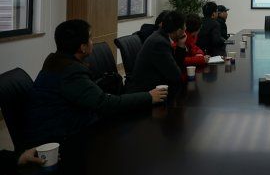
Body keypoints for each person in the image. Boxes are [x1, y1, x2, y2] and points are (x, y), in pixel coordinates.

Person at [22, 20, 167, 147]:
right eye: (90, 38)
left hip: (65, 126)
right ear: (83, 47)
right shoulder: (70, 72)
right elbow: (104, 103)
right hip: (61, 140)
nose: (93, 41)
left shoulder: (57, 61)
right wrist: (149, 96)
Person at [127, 11, 186, 93]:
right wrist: (181, 46)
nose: (185, 31)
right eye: (184, 28)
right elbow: (175, 75)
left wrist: (180, 45)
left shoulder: (160, 36)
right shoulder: (159, 43)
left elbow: (174, 68)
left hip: (154, 85)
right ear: (179, 31)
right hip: (147, 91)